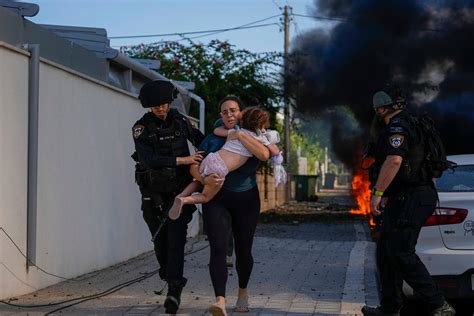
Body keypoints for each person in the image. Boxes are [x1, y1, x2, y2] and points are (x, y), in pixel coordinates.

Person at [361, 85, 455, 316]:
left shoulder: (398, 127)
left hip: (414, 196)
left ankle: (438, 304)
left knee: (401, 251)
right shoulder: (411, 123)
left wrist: (378, 193)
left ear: (382, 108)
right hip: (404, 196)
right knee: (386, 251)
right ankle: (389, 308)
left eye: (378, 108)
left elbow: (394, 161)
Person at [131, 79, 205, 314]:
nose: (160, 109)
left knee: (176, 241)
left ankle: (174, 290)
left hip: (179, 194)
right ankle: (169, 275)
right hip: (153, 196)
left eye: (163, 105)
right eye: (155, 107)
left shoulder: (181, 121)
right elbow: (149, 160)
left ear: (169, 102)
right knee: (160, 242)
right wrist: (184, 160)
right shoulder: (141, 128)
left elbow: (202, 141)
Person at [194, 96, 271, 316]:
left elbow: (265, 154)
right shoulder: (211, 139)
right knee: (217, 248)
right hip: (217, 199)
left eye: (233, 110)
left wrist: (239, 134)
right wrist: (203, 179)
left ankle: (243, 294)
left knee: (244, 250)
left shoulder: (255, 135)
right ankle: (220, 301)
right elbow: (195, 166)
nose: (229, 114)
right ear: (220, 116)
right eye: (224, 111)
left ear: (241, 113)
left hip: (246, 199)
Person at [167, 107, 280, 220]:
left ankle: (180, 195)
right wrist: (267, 138)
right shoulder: (259, 138)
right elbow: (274, 152)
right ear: (260, 126)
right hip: (220, 168)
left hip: (212, 158)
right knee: (206, 197)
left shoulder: (235, 131)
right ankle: (184, 200)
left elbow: (216, 130)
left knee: (198, 181)